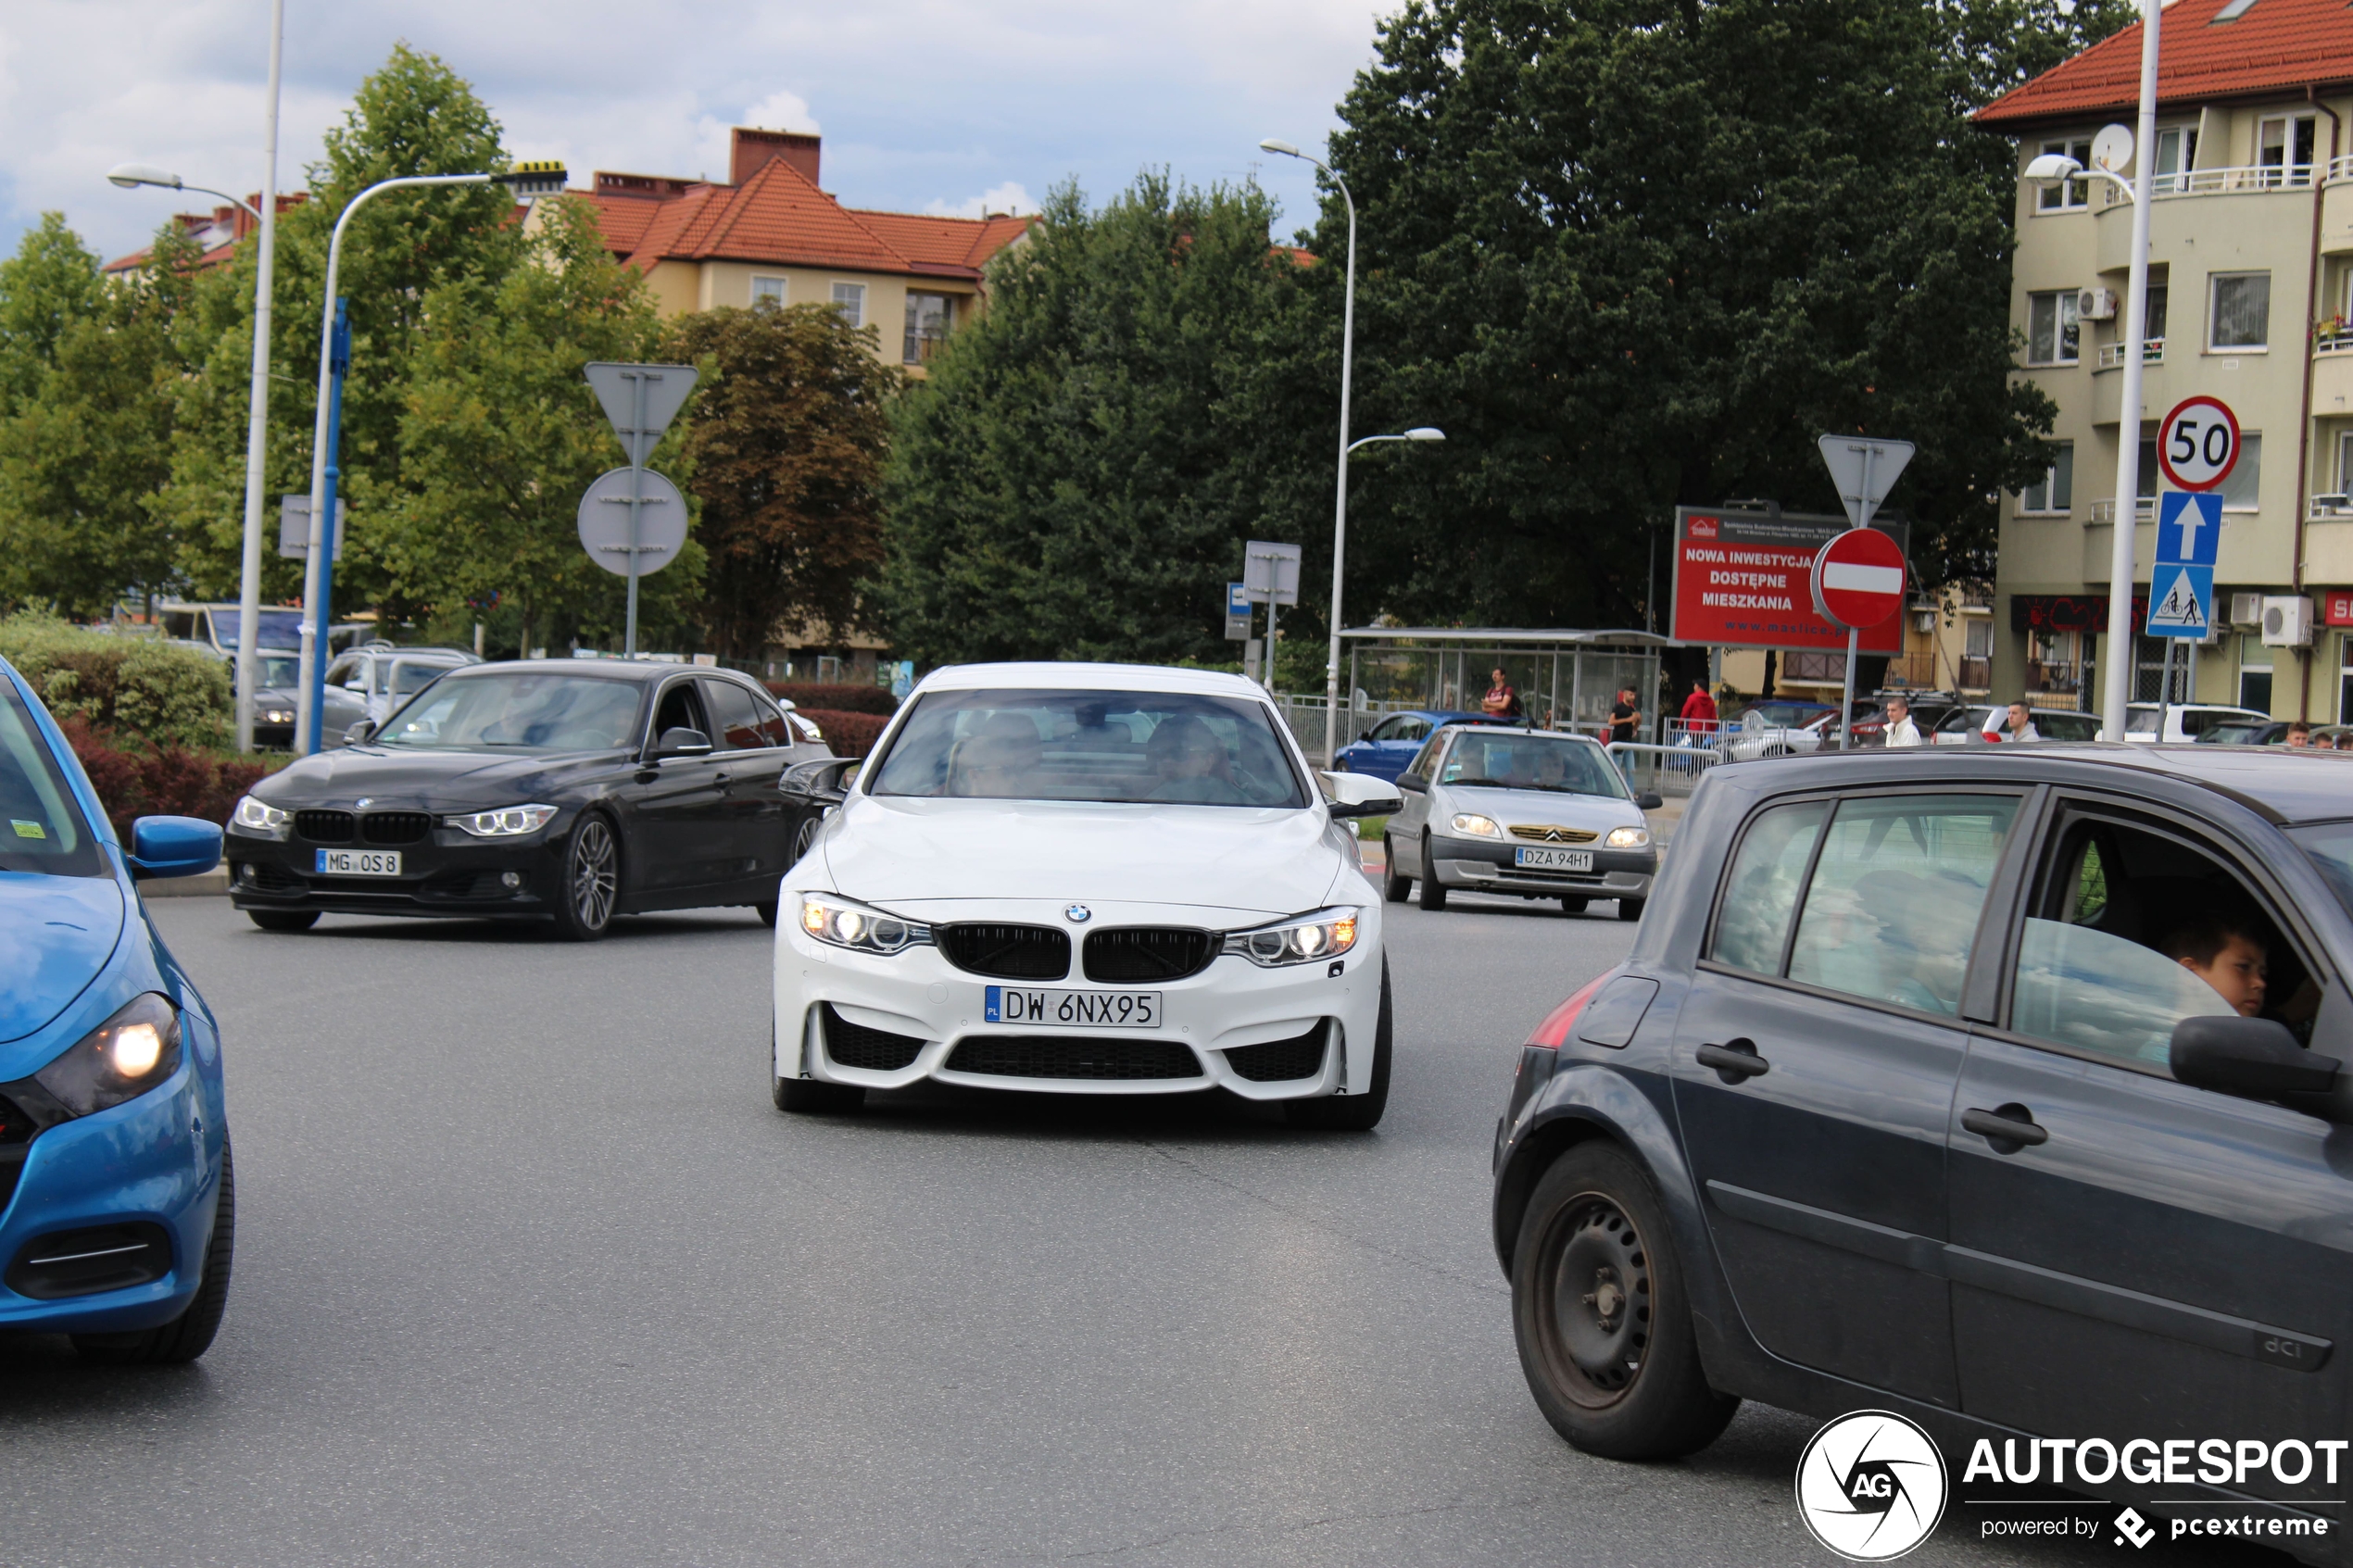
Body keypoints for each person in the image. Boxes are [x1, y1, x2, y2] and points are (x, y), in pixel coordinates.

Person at [2160, 914, 2269, 1019]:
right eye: (2243, 967)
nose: (2260, 983)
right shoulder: (2153, 1036)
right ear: (2190, 973)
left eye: (2262, 974)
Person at [1608, 686, 1642, 778]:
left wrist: (1637, 722)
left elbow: (1634, 725)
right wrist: (1627, 720)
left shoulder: (1632, 710)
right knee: (1615, 770)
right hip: (1618, 741)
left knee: (1631, 770)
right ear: (1625, 694)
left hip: (1628, 743)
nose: (1633, 697)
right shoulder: (1618, 707)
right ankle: (1614, 791)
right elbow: (1611, 722)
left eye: (1634, 695)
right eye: (1631, 695)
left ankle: (1630, 791)